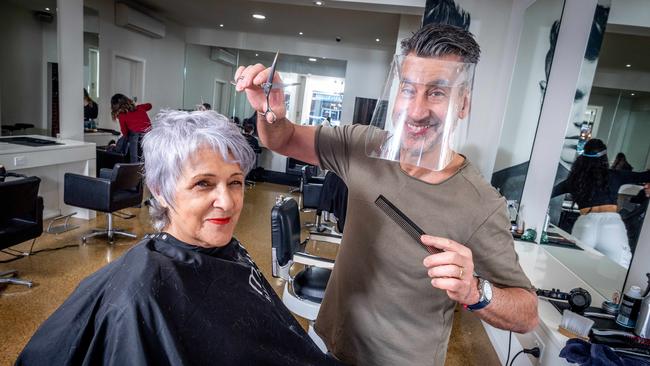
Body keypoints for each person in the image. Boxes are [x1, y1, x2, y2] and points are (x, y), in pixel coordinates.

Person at [234, 23, 538, 365]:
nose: (418, 110)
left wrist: (475, 291)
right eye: (408, 90)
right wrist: (269, 111)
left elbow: (526, 314)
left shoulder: (481, 203)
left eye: (437, 93)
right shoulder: (363, 145)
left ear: (463, 102)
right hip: (329, 343)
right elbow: (282, 139)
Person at [16, 110, 340, 366]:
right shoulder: (137, 297)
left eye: (236, 182)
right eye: (203, 184)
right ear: (161, 189)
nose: (227, 202)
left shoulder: (227, 251)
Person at [552, 139, 650, 267]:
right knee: (619, 271)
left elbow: (550, 191)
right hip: (609, 226)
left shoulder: (574, 180)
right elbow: (644, 176)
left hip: (585, 225)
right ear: (604, 157)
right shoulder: (614, 175)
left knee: (579, 269)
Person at [110, 93, 152, 163]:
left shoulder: (122, 115)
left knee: (135, 161)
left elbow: (125, 132)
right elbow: (149, 106)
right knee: (148, 159)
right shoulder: (139, 107)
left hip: (136, 138)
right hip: (150, 136)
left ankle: (115, 148)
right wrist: (137, 105)